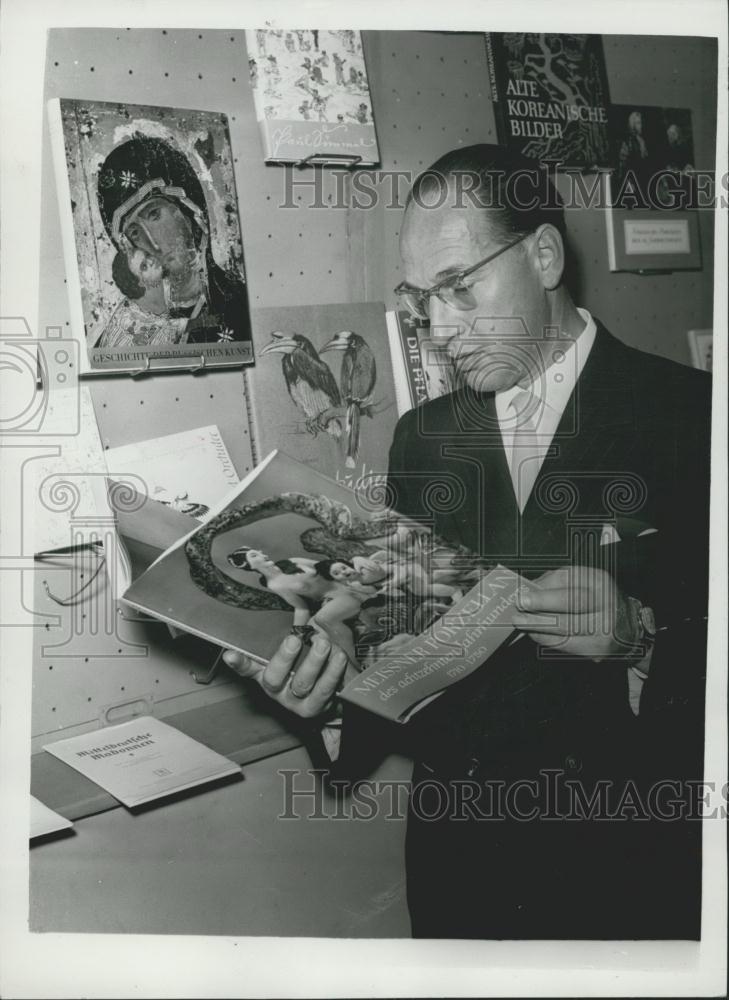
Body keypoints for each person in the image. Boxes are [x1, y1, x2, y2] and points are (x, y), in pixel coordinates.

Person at [223, 145, 711, 940]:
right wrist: (324, 693)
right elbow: (407, 653)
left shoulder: (692, 415)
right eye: (421, 300)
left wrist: (640, 639)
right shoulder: (422, 438)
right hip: (462, 873)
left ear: (544, 255)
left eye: (459, 288)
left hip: (630, 870)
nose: (439, 331)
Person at [95, 135, 252, 348]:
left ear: (190, 212)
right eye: (134, 233)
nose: (153, 244)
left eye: (155, 215)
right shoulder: (121, 336)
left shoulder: (241, 306)